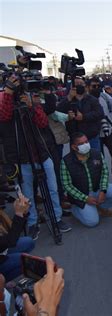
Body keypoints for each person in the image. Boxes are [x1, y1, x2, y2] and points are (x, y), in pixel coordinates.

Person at [0, 76, 72, 239]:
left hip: (42, 154)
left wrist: (32, 106)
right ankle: (32, 223)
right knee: (27, 195)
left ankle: (56, 218)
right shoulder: (6, 101)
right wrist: (9, 92)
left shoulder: (32, 102)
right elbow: (4, 116)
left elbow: (42, 122)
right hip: (22, 159)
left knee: (52, 189)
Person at [60, 132, 112, 227]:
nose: (85, 145)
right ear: (74, 147)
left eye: (86, 142)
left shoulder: (96, 154)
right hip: (81, 195)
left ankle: (100, 207)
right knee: (92, 222)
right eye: (81, 144)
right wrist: (85, 198)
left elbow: (104, 172)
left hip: (96, 189)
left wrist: (103, 190)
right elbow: (67, 185)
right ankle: (75, 208)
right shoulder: (66, 161)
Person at [89, 79, 112, 186]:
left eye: (98, 86)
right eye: (93, 86)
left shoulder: (103, 96)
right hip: (95, 133)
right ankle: (102, 181)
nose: (96, 88)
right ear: (88, 87)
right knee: (99, 159)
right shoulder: (86, 100)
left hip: (108, 131)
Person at [57, 77, 104, 151]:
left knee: (95, 158)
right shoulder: (67, 99)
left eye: (81, 83)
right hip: (75, 137)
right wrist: (69, 97)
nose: (79, 85)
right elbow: (58, 111)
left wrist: (84, 117)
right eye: (76, 84)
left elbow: (99, 113)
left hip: (91, 136)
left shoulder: (92, 99)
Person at [0, 195, 35, 282]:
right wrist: (19, 214)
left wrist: (23, 213)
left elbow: (11, 235)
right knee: (26, 261)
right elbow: (10, 241)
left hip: (2, 249)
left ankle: (4, 278)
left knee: (28, 242)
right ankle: (2, 283)